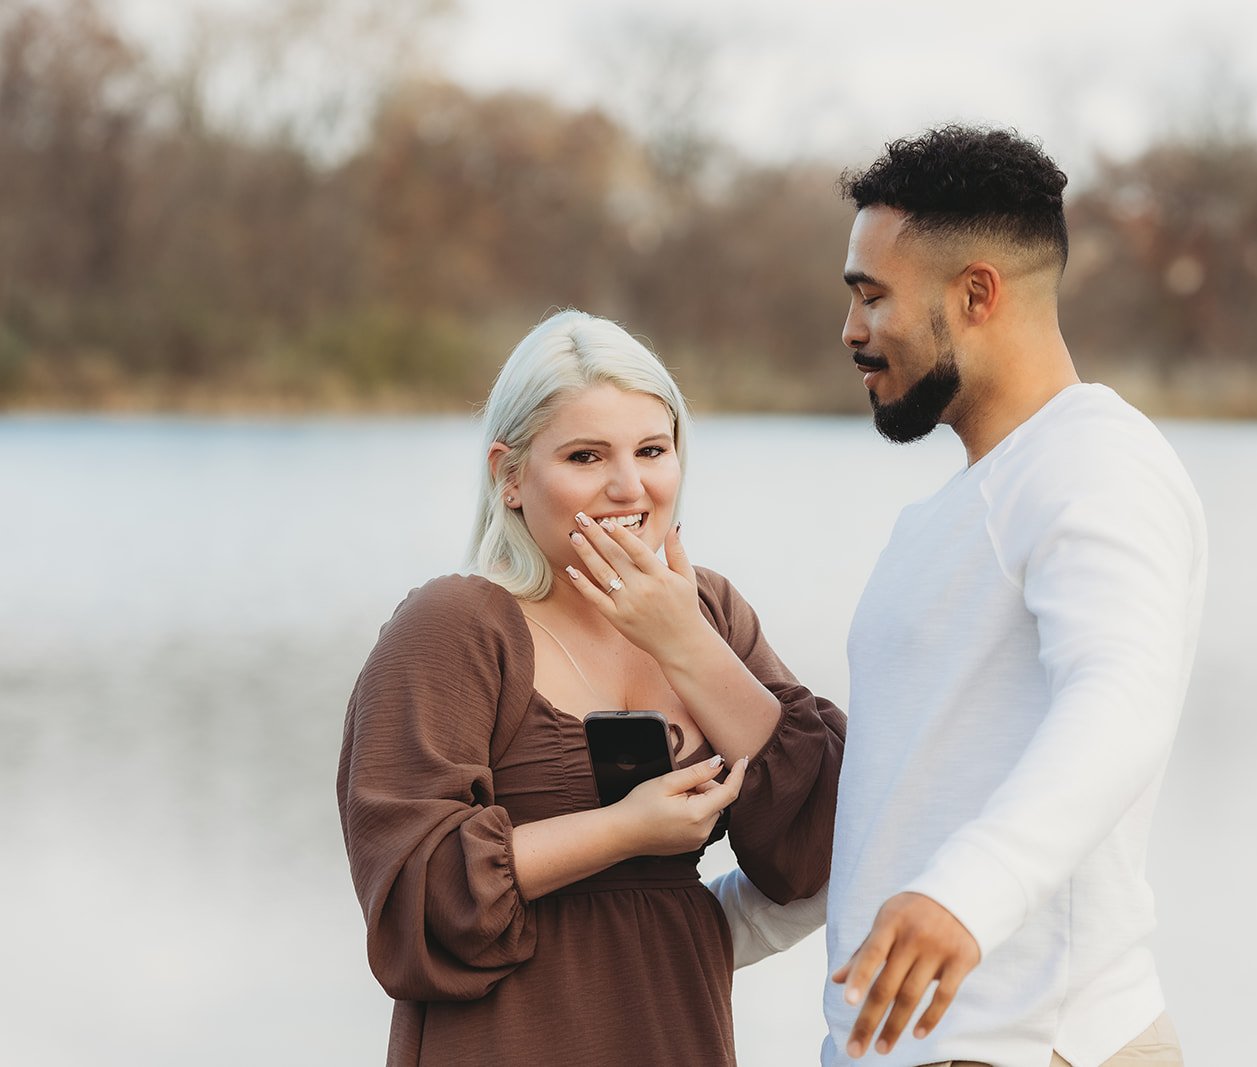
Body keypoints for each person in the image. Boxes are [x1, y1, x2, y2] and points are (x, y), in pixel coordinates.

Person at [336, 309, 843, 1066]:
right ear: (509, 476)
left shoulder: (712, 613)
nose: (628, 485)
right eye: (584, 455)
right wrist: (625, 830)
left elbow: (822, 840)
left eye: (652, 449)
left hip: (675, 1030)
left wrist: (684, 642)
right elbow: (413, 896)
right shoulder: (454, 626)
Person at [824, 126, 1207, 1067]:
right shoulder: (955, 509)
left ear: (977, 293)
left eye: (873, 296)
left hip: (1028, 1043)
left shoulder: (1093, 462)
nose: (852, 330)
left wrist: (969, 891)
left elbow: (1121, 698)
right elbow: (900, 787)